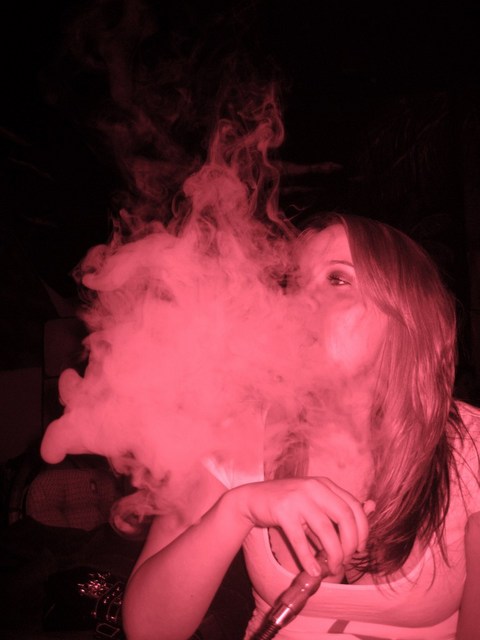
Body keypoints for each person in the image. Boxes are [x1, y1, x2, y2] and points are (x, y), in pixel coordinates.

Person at [121, 213, 480, 640]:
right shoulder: (235, 432)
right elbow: (147, 630)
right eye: (296, 283)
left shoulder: (472, 448)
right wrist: (238, 509)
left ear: (407, 314)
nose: (298, 303)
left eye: (337, 280)